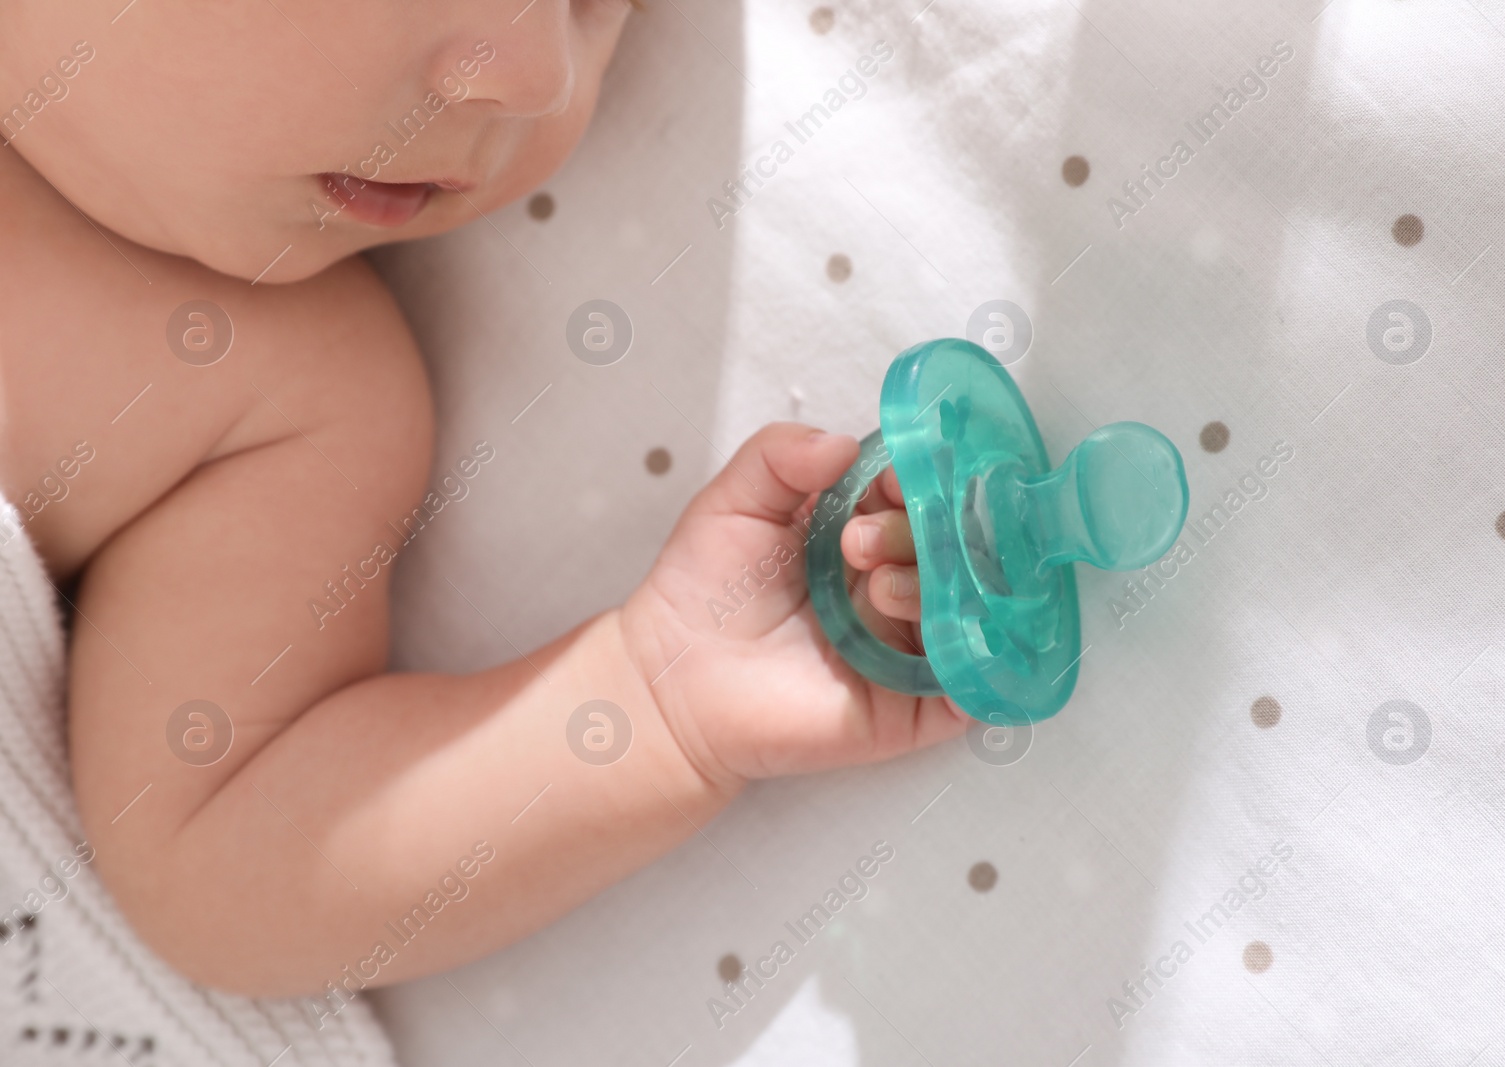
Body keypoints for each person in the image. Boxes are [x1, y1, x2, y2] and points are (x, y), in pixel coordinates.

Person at [0, 0, 962, 1004]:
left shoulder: (272, 390)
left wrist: (651, 700)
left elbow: (222, 842)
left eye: (595, 7)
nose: (532, 76)